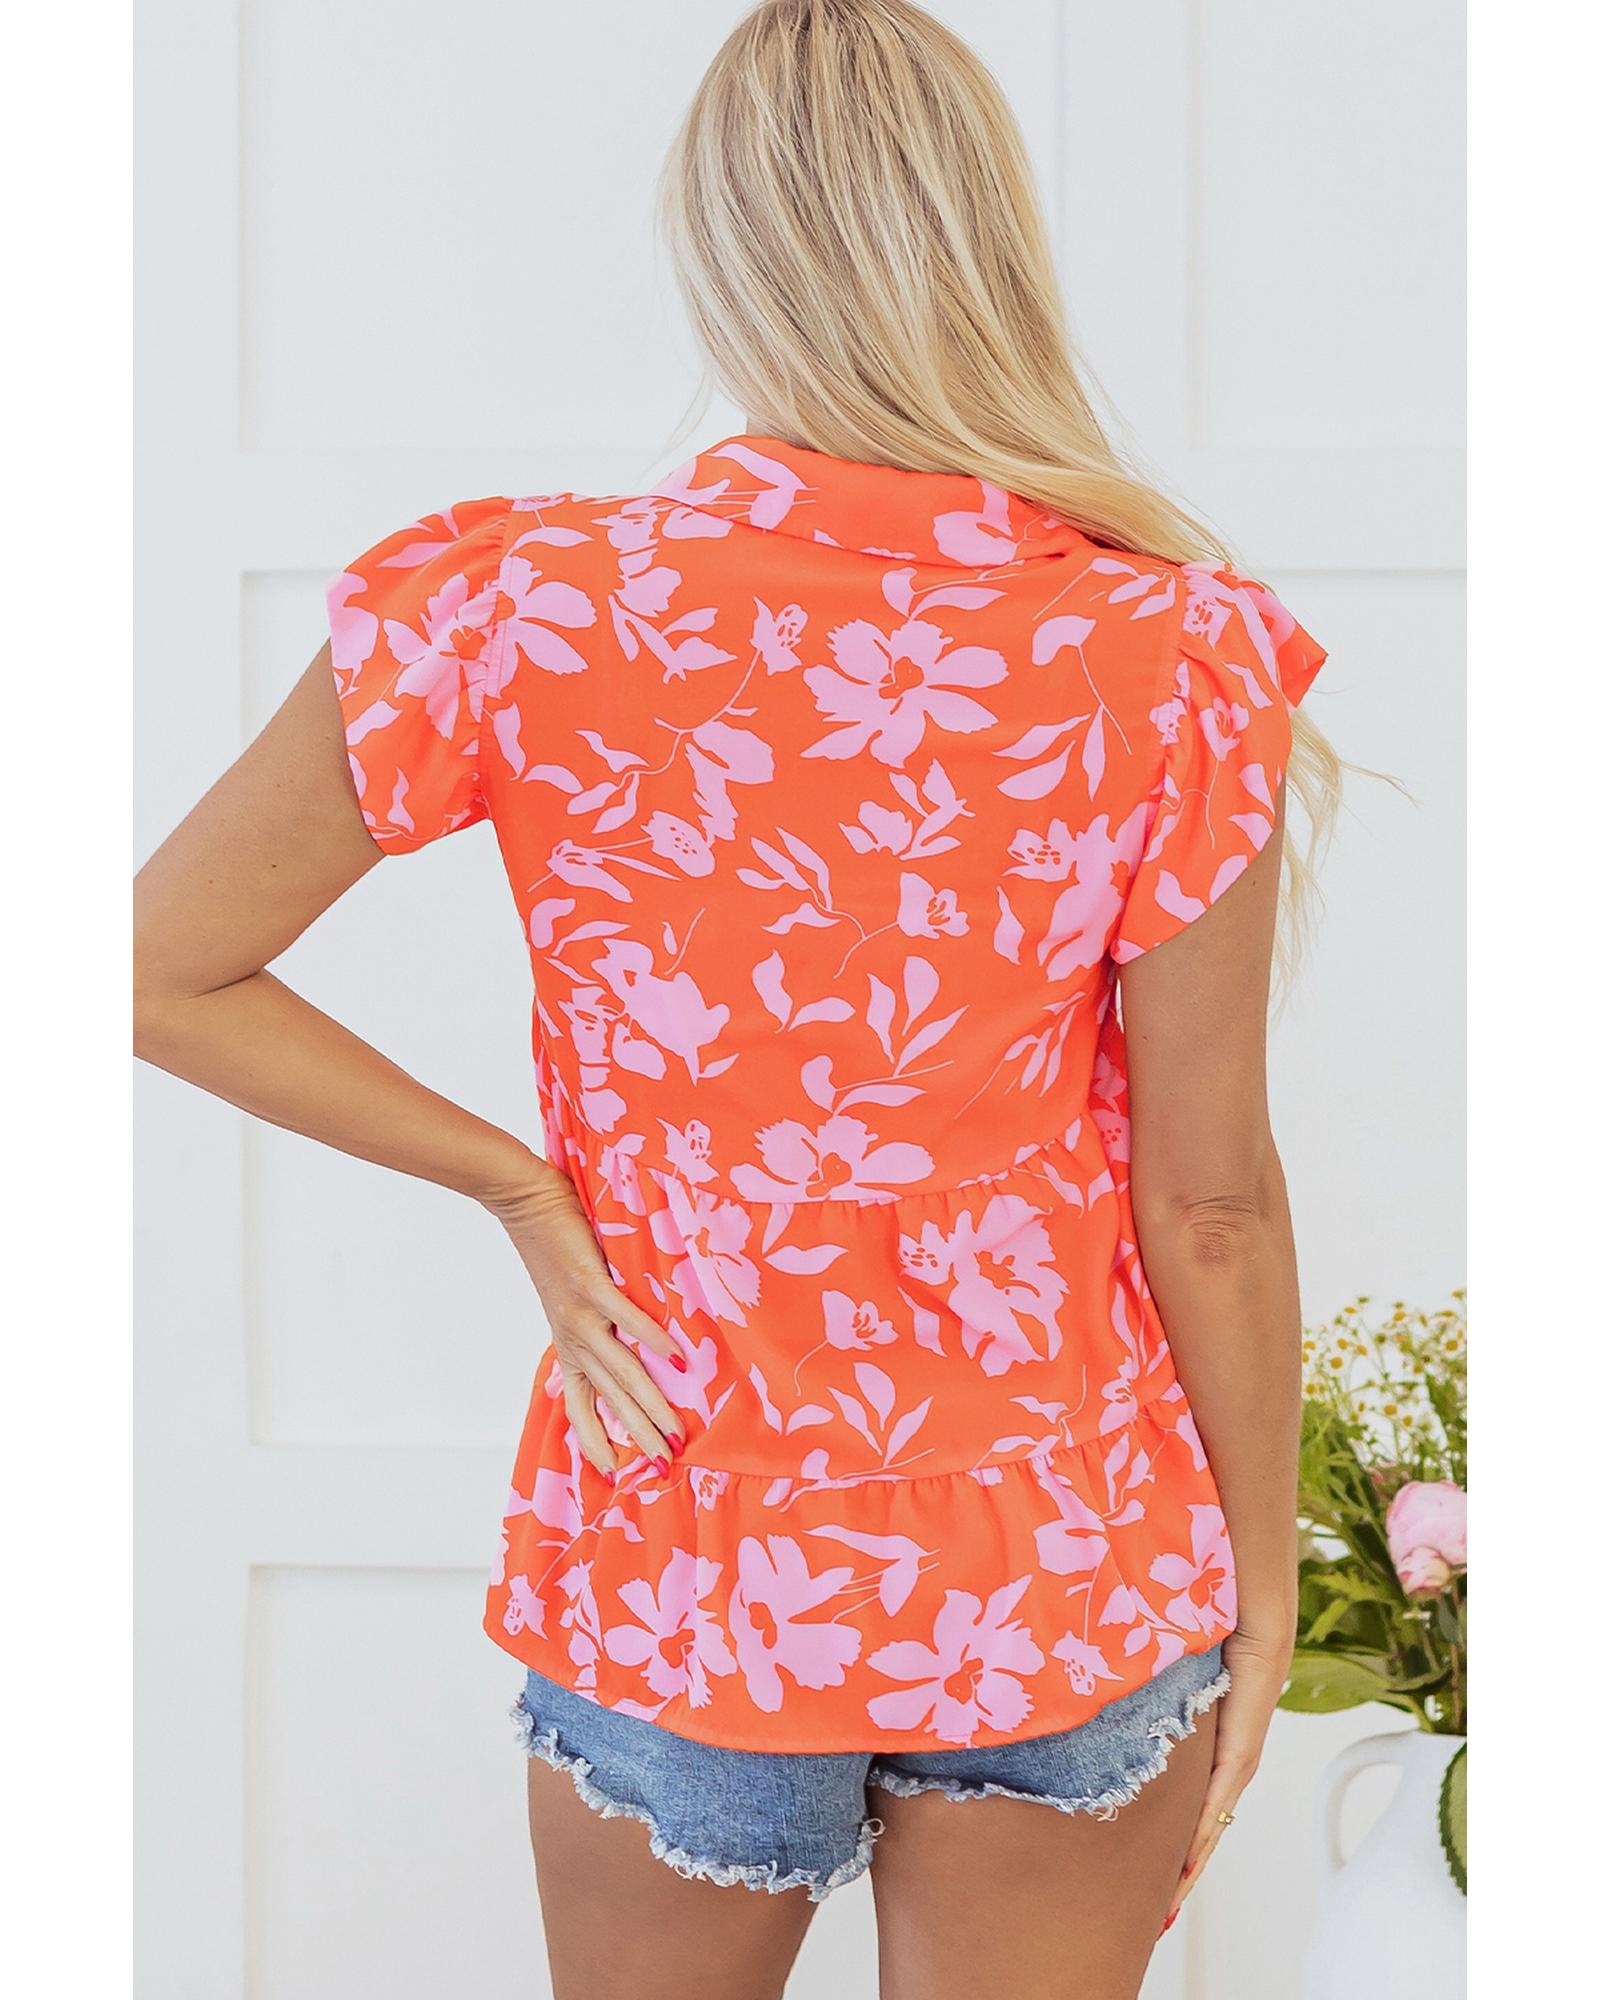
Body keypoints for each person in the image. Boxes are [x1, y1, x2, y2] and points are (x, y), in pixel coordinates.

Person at [134, 3, 1341, 1994]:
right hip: (1054, 1552)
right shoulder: (1171, 652)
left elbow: (153, 965)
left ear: (725, 249)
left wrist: (520, 1185)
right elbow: (1209, 1203)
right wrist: (1264, 1582)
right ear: (990, 237)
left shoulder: (519, 606)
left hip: (689, 1535)